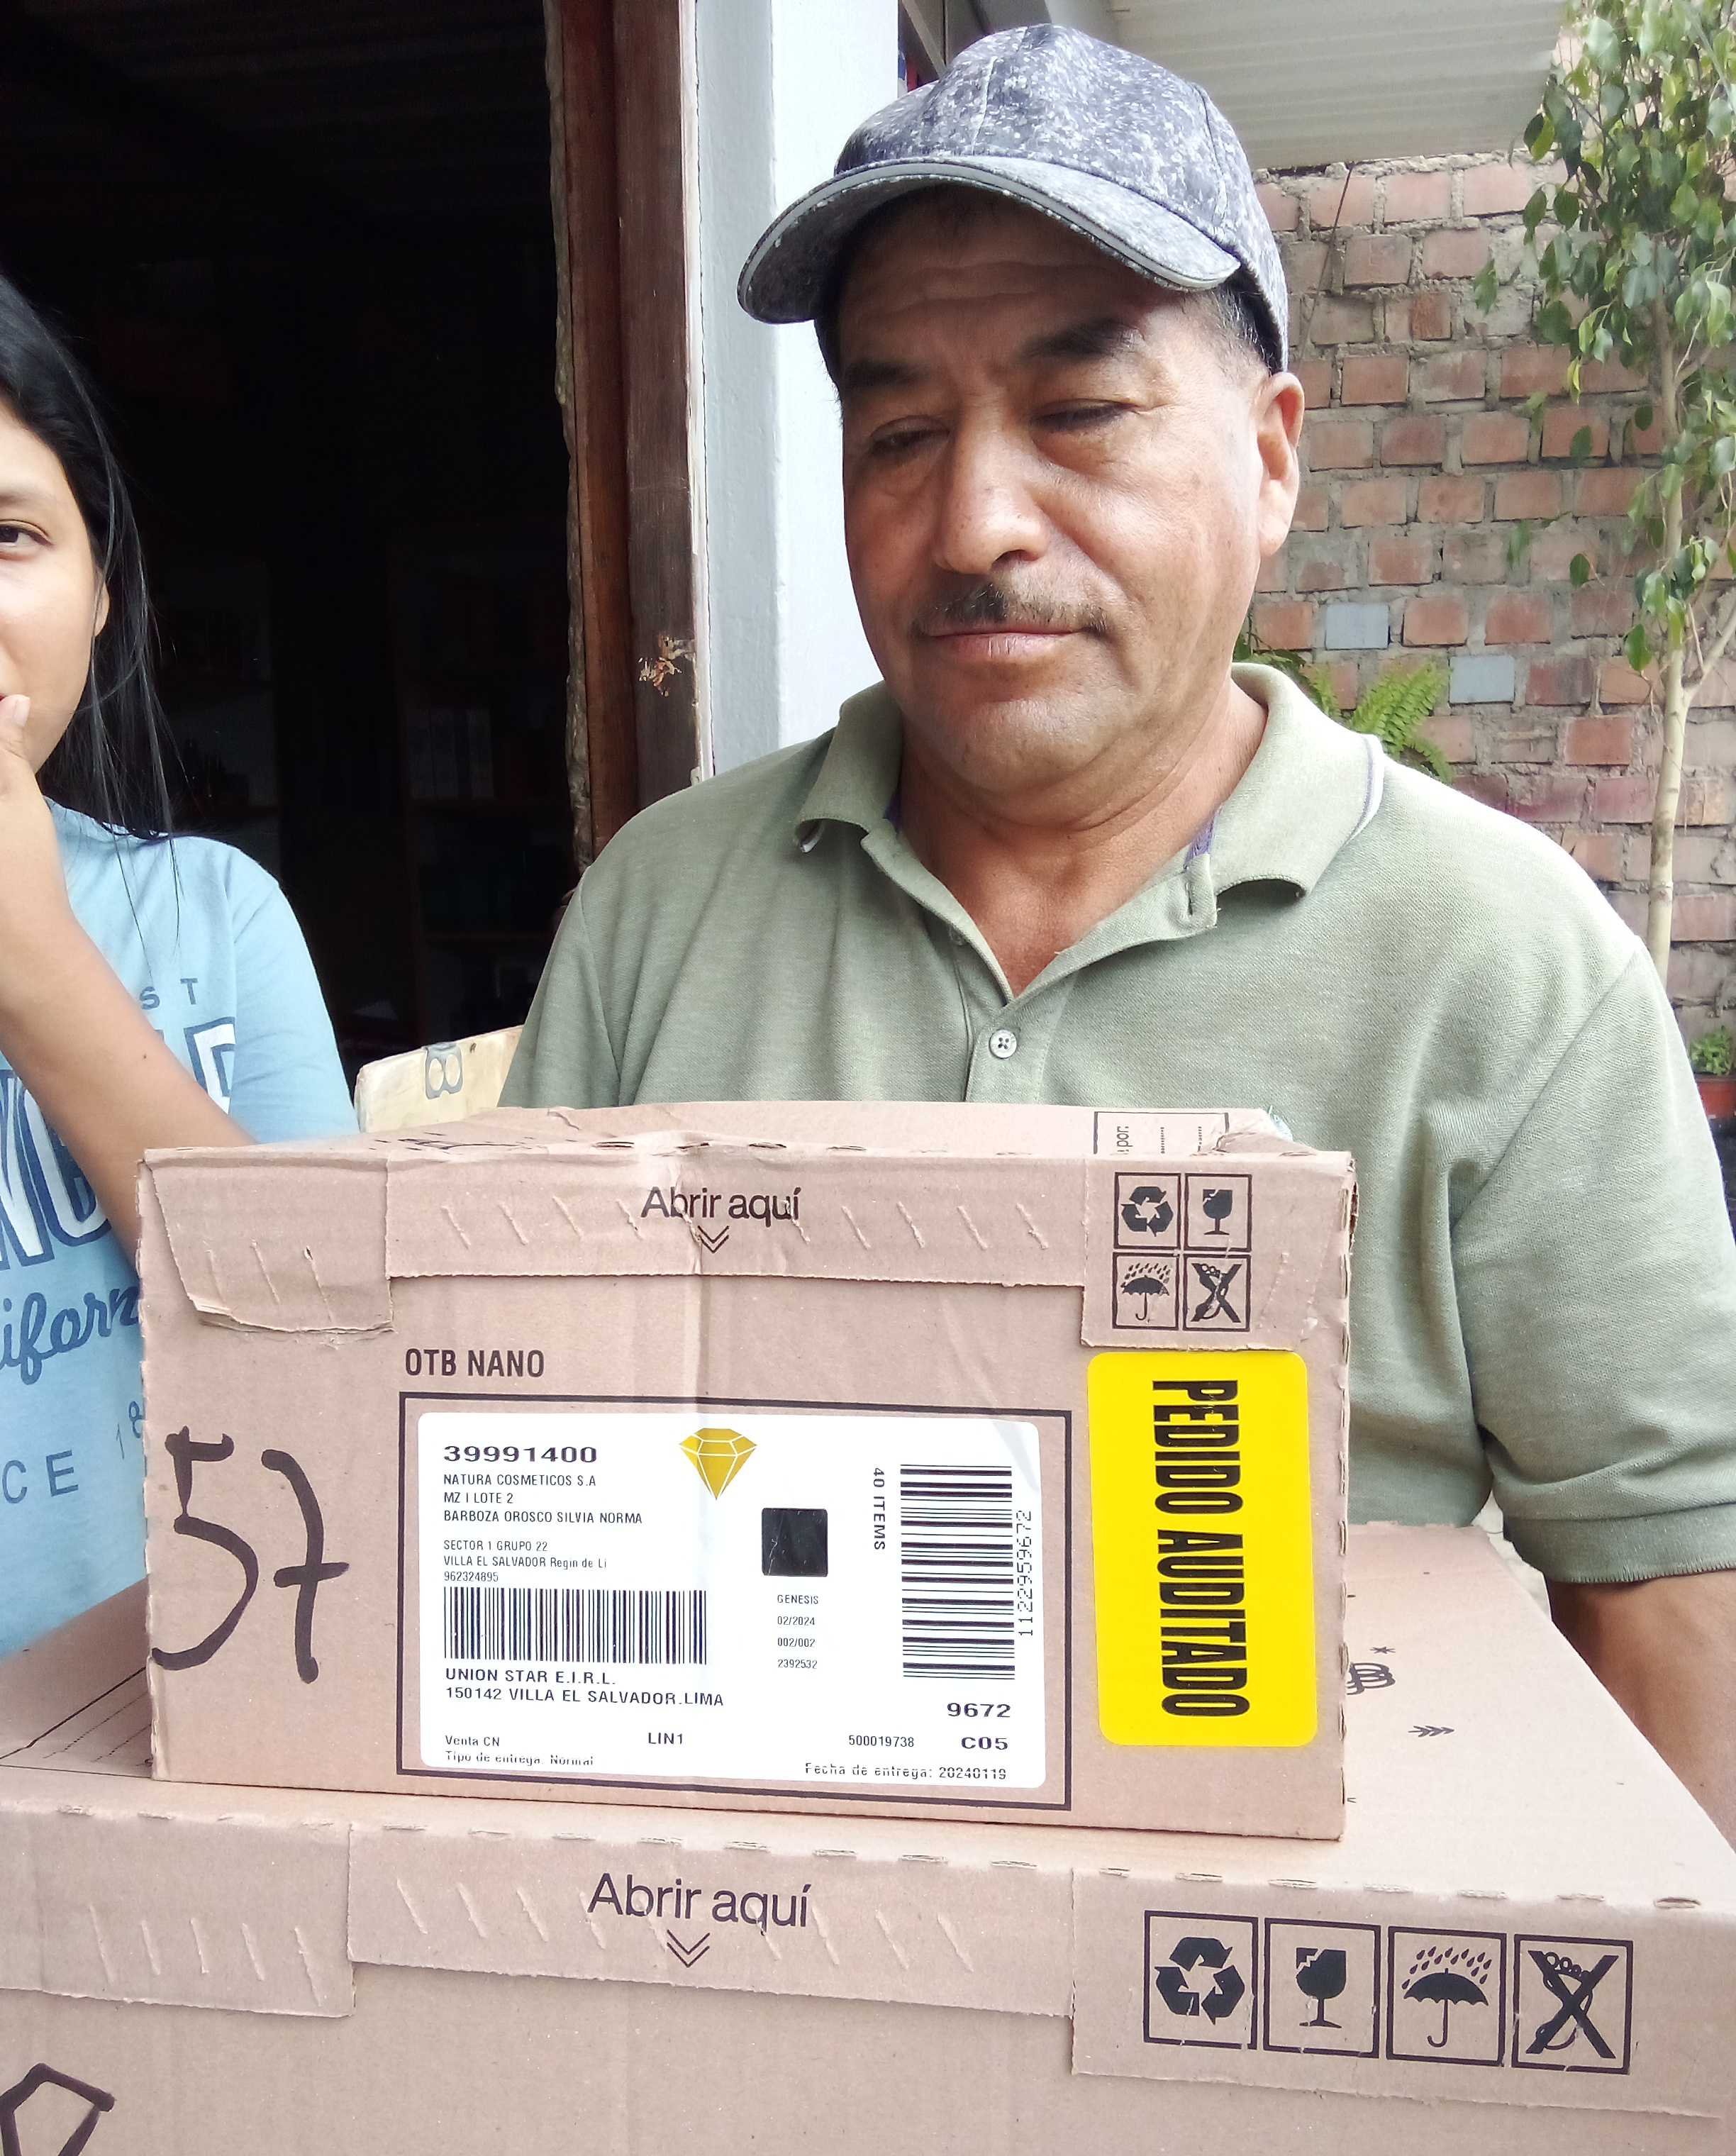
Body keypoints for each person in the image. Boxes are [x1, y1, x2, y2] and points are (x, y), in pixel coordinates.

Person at [503, 28, 1736, 1833]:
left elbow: (1668, 1601)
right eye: (898, 432)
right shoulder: (659, 909)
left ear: (1273, 459)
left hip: (1278, 1952)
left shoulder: (1503, 963)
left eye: (1078, 414)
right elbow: (524, 1468)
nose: (974, 524)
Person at [0, 272, 355, 1657]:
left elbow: (336, 1344)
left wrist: (37, 969)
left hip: (192, 1708)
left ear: (101, 588)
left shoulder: (214, 915)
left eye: (10, 534)